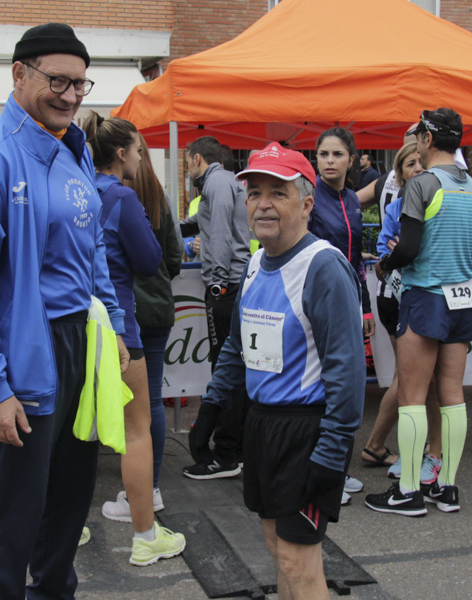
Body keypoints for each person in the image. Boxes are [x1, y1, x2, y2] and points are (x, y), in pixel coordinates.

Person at [0, 23, 130, 599]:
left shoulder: (74, 153)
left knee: (70, 506)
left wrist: (114, 327)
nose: (70, 95)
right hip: (22, 353)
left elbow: (92, 250)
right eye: (57, 80)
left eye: (80, 83)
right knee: (11, 519)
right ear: (19, 74)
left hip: (80, 348)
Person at [189, 142, 364, 598]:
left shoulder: (322, 267)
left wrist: (330, 453)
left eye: (278, 192)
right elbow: (236, 346)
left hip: (307, 431)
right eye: (254, 192)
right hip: (261, 424)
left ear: (306, 204)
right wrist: (211, 407)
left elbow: (346, 376)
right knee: (276, 546)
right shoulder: (255, 262)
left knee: (297, 558)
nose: (262, 203)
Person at [365, 108, 472, 516]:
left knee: (413, 396)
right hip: (463, 297)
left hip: (426, 294)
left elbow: (410, 247)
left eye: (418, 135)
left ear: (427, 140)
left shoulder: (421, 185)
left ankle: (409, 490)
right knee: (452, 396)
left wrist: (385, 264)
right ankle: (447, 487)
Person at [82, 112, 186, 564]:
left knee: (75, 433)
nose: (142, 158)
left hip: (73, 323)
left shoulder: (75, 190)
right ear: (121, 153)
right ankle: (145, 536)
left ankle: (66, 526)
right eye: (140, 150)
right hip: (119, 325)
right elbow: (149, 260)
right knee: (136, 430)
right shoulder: (122, 197)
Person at [359, 142, 442, 483]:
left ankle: (407, 450)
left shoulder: (441, 203)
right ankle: (408, 451)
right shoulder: (395, 210)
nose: (419, 168)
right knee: (411, 378)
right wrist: (393, 254)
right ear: (400, 174)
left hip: (426, 296)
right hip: (395, 298)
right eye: (411, 164)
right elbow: (385, 251)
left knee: (419, 379)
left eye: (423, 163)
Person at [178, 135, 250, 480]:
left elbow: (218, 235)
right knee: (230, 368)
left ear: (195, 159)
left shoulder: (217, 183)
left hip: (228, 286)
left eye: (185, 162)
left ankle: (227, 453)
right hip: (232, 284)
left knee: (226, 370)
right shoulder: (220, 183)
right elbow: (202, 224)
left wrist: (218, 283)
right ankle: (232, 449)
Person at [128, 132, 183, 512]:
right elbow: (175, 256)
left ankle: (141, 489)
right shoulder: (157, 195)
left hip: (122, 314)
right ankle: (153, 485)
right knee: (150, 403)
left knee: (126, 407)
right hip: (156, 308)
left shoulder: (110, 194)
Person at [310, 127, 375, 339]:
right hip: (314, 298)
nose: (330, 160)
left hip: (349, 298)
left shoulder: (353, 199)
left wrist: (365, 307)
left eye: (338, 154)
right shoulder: (307, 198)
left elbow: (356, 260)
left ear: (350, 160)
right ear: (317, 158)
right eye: (324, 154)